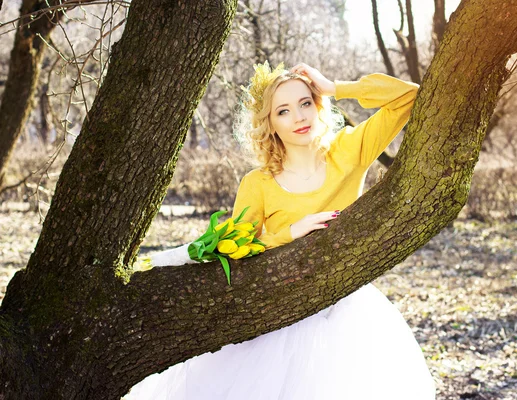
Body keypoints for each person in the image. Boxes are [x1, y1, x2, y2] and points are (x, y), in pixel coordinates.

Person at [126, 62, 435, 399]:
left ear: (318, 106)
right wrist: (290, 232)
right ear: (270, 124)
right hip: (276, 312)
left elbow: (409, 96)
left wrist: (334, 86)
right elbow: (237, 249)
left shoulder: (349, 150)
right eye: (283, 111)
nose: (299, 118)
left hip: (344, 313)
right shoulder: (257, 183)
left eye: (305, 103)